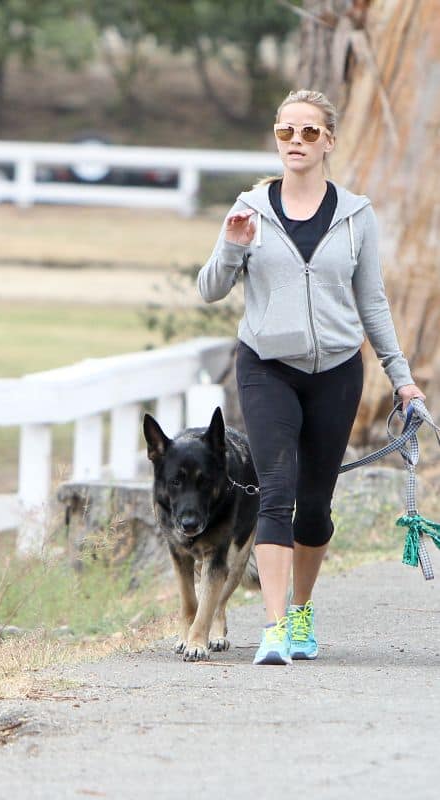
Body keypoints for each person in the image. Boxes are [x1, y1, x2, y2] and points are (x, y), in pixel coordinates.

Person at [197, 89, 426, 666]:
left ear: (329, 141)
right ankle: (274, 628)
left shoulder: (355, 215)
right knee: (275, 494)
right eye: (285, 132)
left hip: (337, 373)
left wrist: (402, 380)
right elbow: (209, 289)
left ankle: (301, 609)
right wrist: (232, 246)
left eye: (308, 133)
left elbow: (372, 302)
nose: (295, 143)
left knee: (315, 506)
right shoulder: (249, 207)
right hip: (267, 368)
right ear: (275, 138)